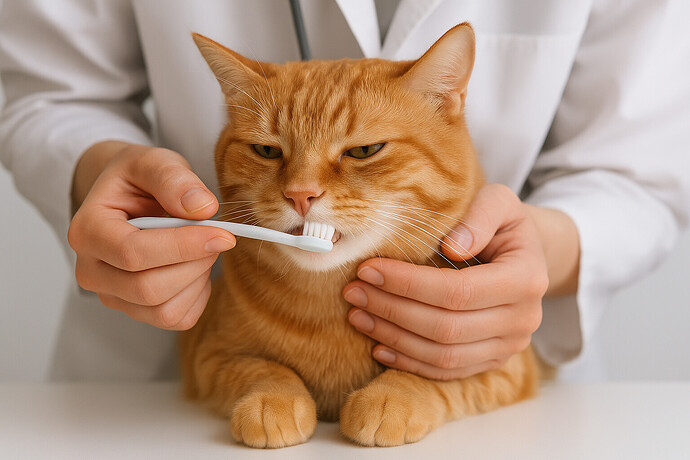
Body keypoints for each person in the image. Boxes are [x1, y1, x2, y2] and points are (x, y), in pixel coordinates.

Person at [1, 0, 688, 381]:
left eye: (359, 153)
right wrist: (99, 168)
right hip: (155, 370)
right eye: (271, 154)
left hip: (491, 357)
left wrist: (549, 246)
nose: (302, 190)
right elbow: (49, 93)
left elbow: (640, 164)